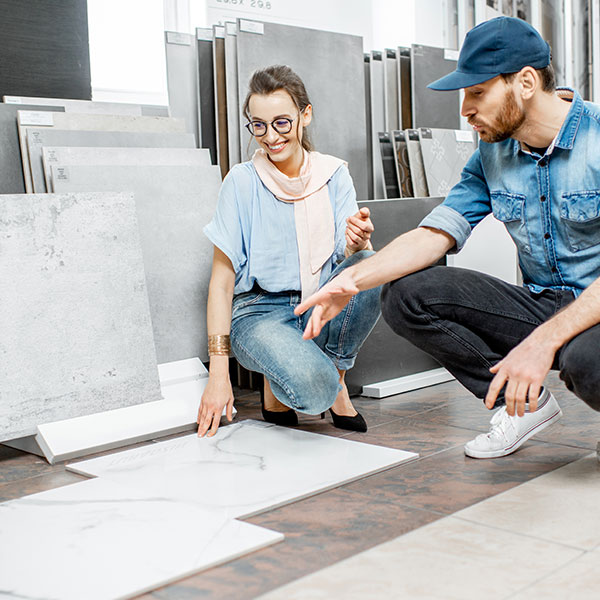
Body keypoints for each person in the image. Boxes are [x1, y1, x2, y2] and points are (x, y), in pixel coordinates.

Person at [295, 16, 600, 459]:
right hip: (543, 301)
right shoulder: (492, 153)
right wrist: (352, 281)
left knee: (586, 363)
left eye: (477, 92)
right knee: (407, 295)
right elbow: (435, 233)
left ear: (527, 82)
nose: (465, 109)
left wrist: (543, 341)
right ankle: (524, 406)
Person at [197, 65, 380, 438]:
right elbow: (221, 283)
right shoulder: (242, 183)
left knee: (372, 265)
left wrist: (357, 244)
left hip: (320, 302)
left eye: (282, 122)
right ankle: (312, 380)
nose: (270, 136)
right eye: (259, 125)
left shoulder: (333, 174)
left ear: (305, 115)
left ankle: (336, 377)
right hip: (261, 313)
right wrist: (218, 373)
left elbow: (349, 265)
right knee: (313, 394)